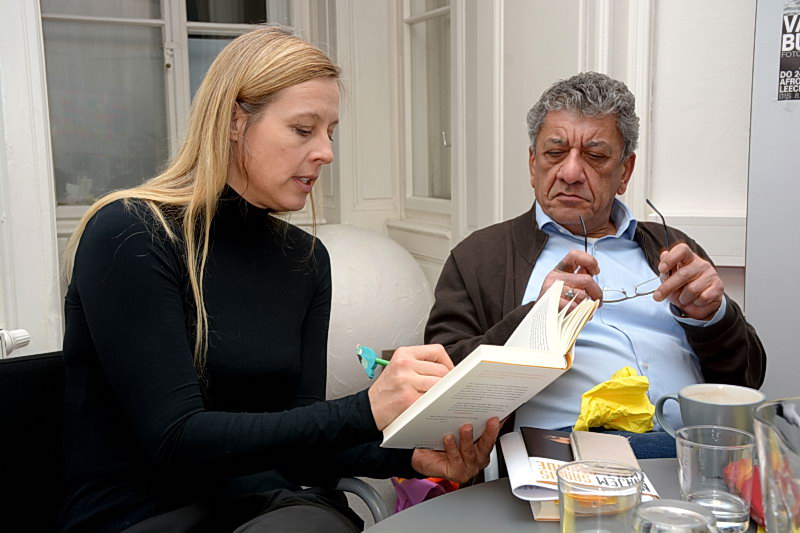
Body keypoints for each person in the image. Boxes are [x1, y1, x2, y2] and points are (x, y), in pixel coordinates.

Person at [59, 27, 499, 533]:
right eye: (303, 129)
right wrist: (367, 408)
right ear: (234, 122)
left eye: (330, 132)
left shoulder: (305, 260)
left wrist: (413, 458)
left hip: (269, 507)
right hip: (145, 515)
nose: (325, 152)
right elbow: (176, 440)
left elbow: (302, 437)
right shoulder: (132, 233)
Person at [424, 71, 765, 457]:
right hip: (566, 456)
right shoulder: (481, 257)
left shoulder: (673, 247)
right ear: (533, 164)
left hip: (695, 451)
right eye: (555, 153)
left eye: (596, 156)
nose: (570, 173)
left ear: (625, 172)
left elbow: (747, 380)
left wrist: (712, 318)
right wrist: (535, 321)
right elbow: (437, 384)